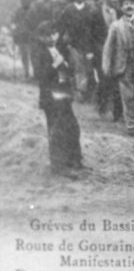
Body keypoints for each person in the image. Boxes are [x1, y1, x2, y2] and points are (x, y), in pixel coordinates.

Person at [35, 20, 84, 176]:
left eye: (53, 34)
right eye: (46, 35)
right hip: (50, 97)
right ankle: (59, 165)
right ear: (41, 37)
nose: (51, 38)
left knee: (72, 127)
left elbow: (68, 70)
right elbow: (41, 76)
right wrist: (55, 65)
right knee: (56, 131)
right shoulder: (39, 52)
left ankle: (74, 160)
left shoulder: (58, 49)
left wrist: (67, 66)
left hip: (63, 94)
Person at [101, 0, 134, 136]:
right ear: (121, 7)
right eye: (126, 4)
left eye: (132, 3)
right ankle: (131, 125)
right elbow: (108, 48)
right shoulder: (116, 26)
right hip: (124, 66)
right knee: (127, 96)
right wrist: (106, 66)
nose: (129, 6)